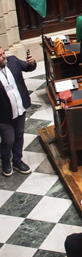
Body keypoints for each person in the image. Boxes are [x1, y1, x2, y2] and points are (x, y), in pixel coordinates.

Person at [0, 46, 36, 176]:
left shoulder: (13, 61)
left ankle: (17, 160)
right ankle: (5, 162)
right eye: (0, 55)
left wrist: (32, 62)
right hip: (4, 116)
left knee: (19, 136)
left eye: (3, 53)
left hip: (19, 109)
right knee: (8, 140)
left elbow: (28, 67)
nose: (4, 56)